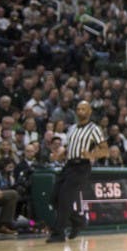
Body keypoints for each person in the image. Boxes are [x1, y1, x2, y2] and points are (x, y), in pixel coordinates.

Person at [46, 100, 108, 243]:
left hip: (82, 166)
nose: (80, 112)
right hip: (68, 165)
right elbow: (68, 147)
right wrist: (58, 155)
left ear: (89, 112)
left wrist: (92, 155)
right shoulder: (72, 128)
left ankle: (58, 233)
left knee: (64, 199)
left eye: (83, 109)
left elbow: (105, 150)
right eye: (78, 109)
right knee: (54, 198)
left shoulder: (94, 129)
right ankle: (78, 220)